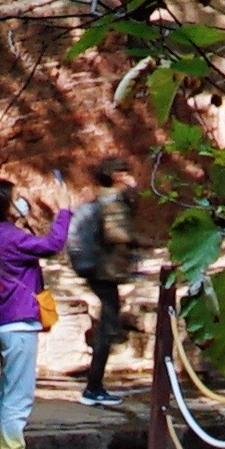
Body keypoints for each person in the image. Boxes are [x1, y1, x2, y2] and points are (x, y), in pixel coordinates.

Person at [0, 176, 67, 449]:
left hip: (8, 320)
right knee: (20, 392)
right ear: (6, 204)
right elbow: (52, 244)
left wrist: (29, 217)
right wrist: (63, 211)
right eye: (18, 196)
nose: (24, 199)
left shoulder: (0, 233)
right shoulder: (10, 236)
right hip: (18, 321)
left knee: (7, 389)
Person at [70, 157, 136, 404]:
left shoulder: (100, 197)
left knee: (108, 324)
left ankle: (95, 383)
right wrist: (134, 241)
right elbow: (117, 233)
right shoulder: (113, 199)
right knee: (108, 327)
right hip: (104, 270)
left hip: (98, 268)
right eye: (126, 172)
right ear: (117, 175)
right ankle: (93, 387)